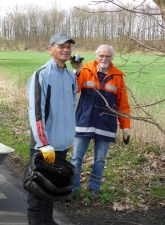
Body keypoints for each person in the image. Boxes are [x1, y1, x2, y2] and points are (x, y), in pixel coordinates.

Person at [26, 33, 77, 225]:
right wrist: (43, 143)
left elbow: (71, 108)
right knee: (37, 185)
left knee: (52, 184)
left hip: (62, 144)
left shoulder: (71, 76)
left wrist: (69, 138)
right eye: (60, 46)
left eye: (68, 47)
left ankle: (47, 219)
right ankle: (35, 221)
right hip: (44, 144)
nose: (65, 50)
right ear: (50, 49)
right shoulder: (42, 74)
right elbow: (36, 111)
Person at [70, 44, 131, 200]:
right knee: (76, 157)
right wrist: (76, 73)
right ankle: (72, 187)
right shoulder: (85, 70)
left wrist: (126, 127)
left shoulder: (118, 77)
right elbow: (74, 89)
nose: (104, 59)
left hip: (106, 125)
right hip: (84, 122)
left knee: (100, 160)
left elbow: (123, 104)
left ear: (112, 58)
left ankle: (94, 188)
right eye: (101, 56)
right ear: (96, 56)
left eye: (107, 56)